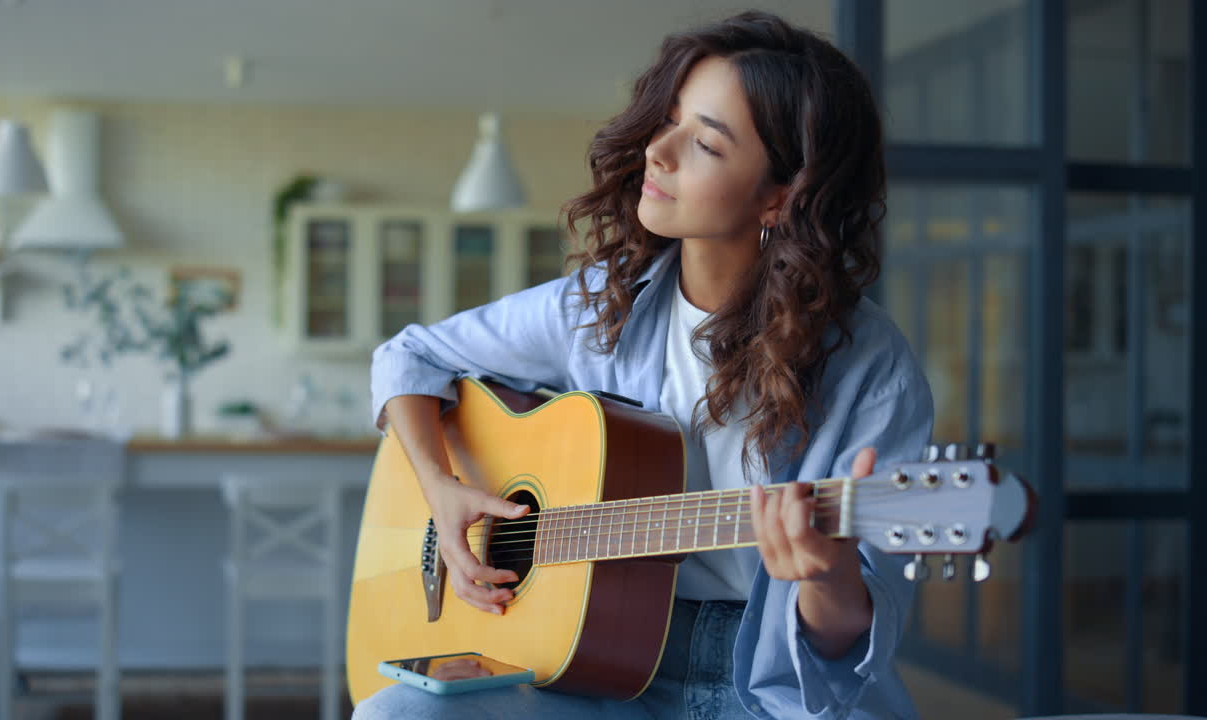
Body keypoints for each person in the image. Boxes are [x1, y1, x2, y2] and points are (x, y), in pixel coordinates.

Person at [355, 9, 933, 720]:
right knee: (396, 714)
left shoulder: (871, 366)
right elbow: (409, 356)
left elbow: (852, 636)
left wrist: (828, 574)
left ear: (781, 197)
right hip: (597, 669)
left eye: (707, 144)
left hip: (773, 687)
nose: (659, 150)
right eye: (671, 120)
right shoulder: (600, 307)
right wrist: (443, 493)